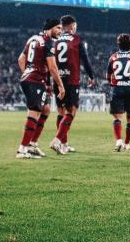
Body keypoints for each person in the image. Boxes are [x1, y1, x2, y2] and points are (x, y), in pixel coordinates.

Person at [16, 18, 65, 159]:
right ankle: (22, 149)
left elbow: (21, 59)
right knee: (34, 113)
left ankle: (32, 144)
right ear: (50, 28)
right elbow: (52, 66)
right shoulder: (48, 41)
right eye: (58, 28)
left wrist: (27, 73)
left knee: (46, 109)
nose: (60, 31)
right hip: (35, 80)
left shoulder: (33, 39)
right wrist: (61, 86)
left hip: (33, 79)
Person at [50, 15, 95, 155]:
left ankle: (64, 144)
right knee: (72, 111)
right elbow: (85, 60)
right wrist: (91, 75)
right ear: (71, 27)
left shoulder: (54, 40)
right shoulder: (76, 39)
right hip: (71, 80)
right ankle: (57, 140)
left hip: (58, 80)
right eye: (75, 26)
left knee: (61, 112)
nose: (75, 29)